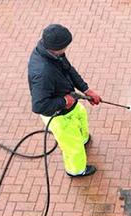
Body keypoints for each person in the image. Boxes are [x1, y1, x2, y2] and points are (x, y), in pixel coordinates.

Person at [28, 24, 101, 177]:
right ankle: (77, 170)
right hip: (58, 116)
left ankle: (82, 139)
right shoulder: (43, 72)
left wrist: (86, 89)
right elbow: (39, 105)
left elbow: (68, 69)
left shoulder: (53, 53)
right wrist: (63, 101)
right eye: (65, 46)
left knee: (81, 115)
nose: (66, 49)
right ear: (56, 47)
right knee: (72, 148)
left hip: (70, 106)